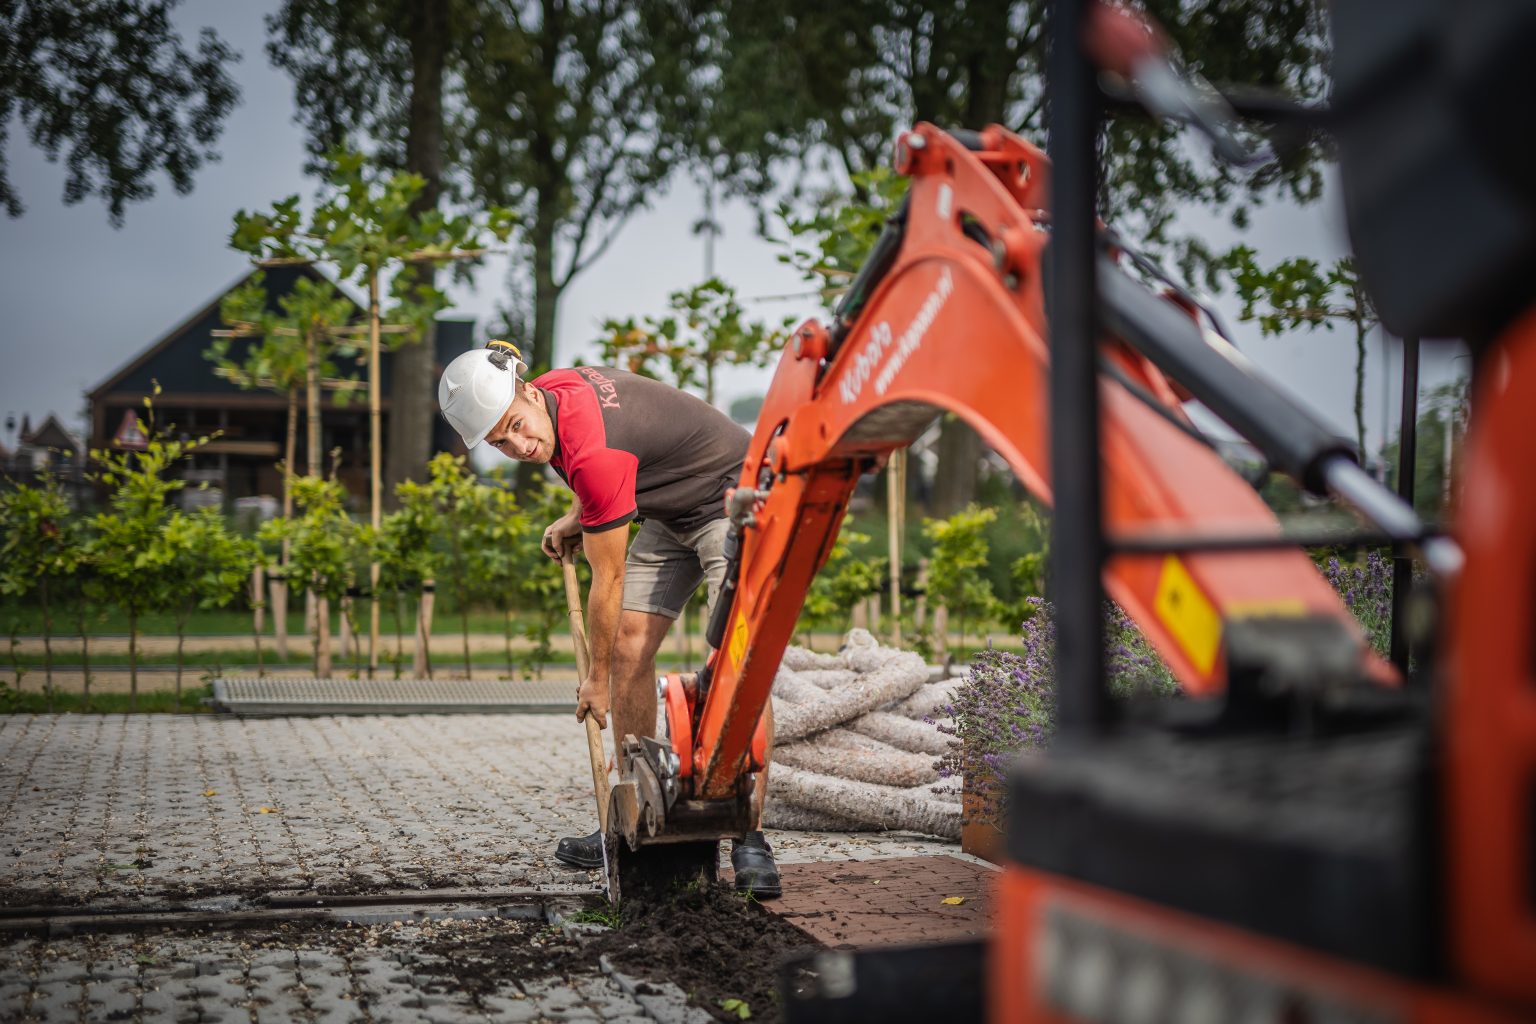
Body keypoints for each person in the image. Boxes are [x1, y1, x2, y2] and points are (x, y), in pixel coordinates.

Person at [437, 341, 781, 897]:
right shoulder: (556, 393)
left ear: (527, 389)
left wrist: (595, 681)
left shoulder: (590, 447)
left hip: (731, 498)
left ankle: (749, 836)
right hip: (670, 513)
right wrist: (580, 514)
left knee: (739, 656)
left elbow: (610, 581)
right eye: (501, 442)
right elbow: (620, 454)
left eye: (518, 427)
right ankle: (632, 817)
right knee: (627, 651)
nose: (520, 446)